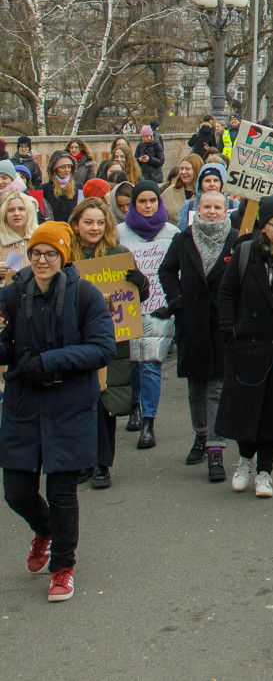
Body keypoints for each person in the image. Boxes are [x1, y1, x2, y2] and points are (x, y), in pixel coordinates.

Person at [0, 220, 116, 603]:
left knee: (63, 492)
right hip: (23, 404)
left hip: (70, 405)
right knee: (16, 491)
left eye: (50, 254)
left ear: (63, 256)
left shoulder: (86, 295)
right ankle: (45, 530)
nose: (42, 260)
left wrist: (49, 361)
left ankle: (63, 568)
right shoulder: (12, 294)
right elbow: (6, 345)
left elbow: (103, 348)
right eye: (36, 253)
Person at [215, 196, 273, 499]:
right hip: (247, 347)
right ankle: (245, 459)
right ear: (263, 227)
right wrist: (230, 332)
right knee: (245, 407)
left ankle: (265, 471)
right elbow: (226, 294)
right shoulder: (244, 253)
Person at [158, 190, 240, 483]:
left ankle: (216, 449)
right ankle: (201, 435)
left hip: (222, 324)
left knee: (216, 389)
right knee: (195, 390)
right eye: (207, 206)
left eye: (218, 207)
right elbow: (166, 271)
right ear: (198, 209)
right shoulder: (183, 239)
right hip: (191, 324)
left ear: (226, 210)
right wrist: (176, 299)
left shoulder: (236, 241)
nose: (212, 211)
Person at [68, 198, 147, 490]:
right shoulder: (65, 256)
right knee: (77, 402)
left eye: (100, 223)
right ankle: (83, 461)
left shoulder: (118, 254)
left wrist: (140, 283)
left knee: (105, 403)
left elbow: (136, 298)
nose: (95, 228)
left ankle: (102, 464)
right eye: (88, 222)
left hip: (108, 340)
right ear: (76, 223)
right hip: (73, 340)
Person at [116, 181, 179, 447]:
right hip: (127, 307)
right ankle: (134, 406)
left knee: (151, 363)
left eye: (152, 200)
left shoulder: (172, 233)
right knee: (132, 362)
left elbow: (178, 270)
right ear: (133, 204)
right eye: (142, 201)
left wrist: (174, 303)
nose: (148, 206)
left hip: (159, 307)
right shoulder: (119, 233)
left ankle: (148, 422)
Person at [175, 162, 230, 230]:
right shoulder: (188, 206)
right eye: (207, 181)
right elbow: (182, 232)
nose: (212, 184)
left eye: (216, 180)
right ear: (201, 184)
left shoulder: (233, 204)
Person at [0, 189, 38, 281]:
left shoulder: (41, 237)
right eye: (10, 210)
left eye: (21, 209)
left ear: (29, 211)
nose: (16, 214)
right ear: (5, 214)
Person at [42, 152, 79, 226]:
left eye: (69, 167)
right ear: (55, 169)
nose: (67, 170)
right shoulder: (44, 189)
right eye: (62, 167)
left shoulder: (78, 188)